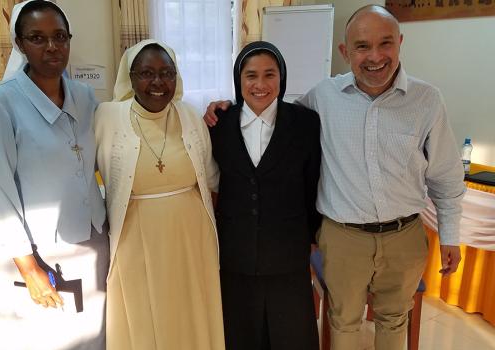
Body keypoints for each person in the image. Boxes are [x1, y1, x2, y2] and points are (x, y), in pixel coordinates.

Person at [204, 5, 465, 350]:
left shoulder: (427, 100)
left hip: (405, 236)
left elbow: (447, 176)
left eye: (385, 44)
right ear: (345, 52)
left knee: (394, 320)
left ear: (400, 43)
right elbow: (273, 116)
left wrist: (450, 235)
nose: (375, 57)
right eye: (362, 46)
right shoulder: (322, 98)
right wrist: (223, 106)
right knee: (342, 323)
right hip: (344, 239)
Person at [0, 1, 108, 349]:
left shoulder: (84, 95)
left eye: (60, 37)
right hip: (38, 251)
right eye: (37, 37)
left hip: (92, 239)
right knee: (48, 338)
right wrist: (29, 268)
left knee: (95, 335)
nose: (51, 46)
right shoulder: (0, 104)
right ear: (19, 44)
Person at [94, 39, 225, 350]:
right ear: (131, 76)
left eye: (167, 73)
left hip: (192, 237)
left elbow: (210, 179)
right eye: (147, 73)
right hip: (135, 236)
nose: (158, 82)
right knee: (143, 313)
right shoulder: (107, 117)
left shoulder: (191, 116)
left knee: (191, 310)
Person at [209, 41, 321, 349]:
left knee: (291, 336)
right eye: (251, 75)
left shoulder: (305, 123)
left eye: (269, 74)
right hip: (235, 253)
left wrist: (312, 237)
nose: (260, 84)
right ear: (238, 80)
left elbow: (312, 184)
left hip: (288, 253)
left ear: (281, 78)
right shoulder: (218, 124)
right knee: (240, 335)